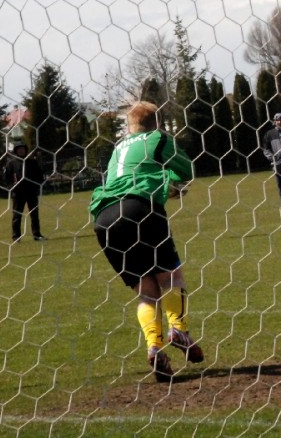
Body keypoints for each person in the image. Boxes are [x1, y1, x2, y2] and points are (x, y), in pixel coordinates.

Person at [89, 102, 204, 382]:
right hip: (140, 208)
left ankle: (154, 347)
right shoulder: (158, 138)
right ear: (158, 122)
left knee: (146, 292)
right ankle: (179, 329)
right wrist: (172, 184)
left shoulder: (119, 148)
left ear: (129, 125)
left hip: (104, 218)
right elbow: (187, 171)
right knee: (171, 277)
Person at [4, 142, 46, 242]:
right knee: (17, 215)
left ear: (26, 150)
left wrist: (36, 186)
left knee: (34, 214)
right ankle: (16, 237)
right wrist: (13, 187)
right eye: (19, 149)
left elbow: (40, 176)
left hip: (31, 193)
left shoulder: (32, 162)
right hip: (18, 194)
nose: (21, 151)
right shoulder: (11, 164)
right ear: (16, 151)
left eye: (22, 149)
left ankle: (37, 235)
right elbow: (7, 179)